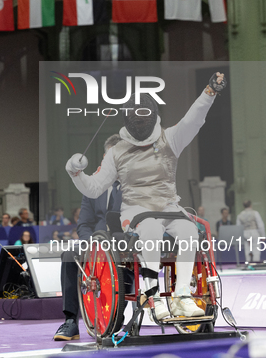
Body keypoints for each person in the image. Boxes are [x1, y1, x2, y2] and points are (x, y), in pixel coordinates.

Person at [65, 73, 227, 319]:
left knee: (189, 231)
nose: (139, 120)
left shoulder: (169, 138)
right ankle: (151, 296)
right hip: (135, 210)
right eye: (134, 115)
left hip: (168, 205)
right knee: (150, 231)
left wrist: (209, 93)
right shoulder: (117, 152)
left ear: (151, 115)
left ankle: (181, 295)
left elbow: (192, 121)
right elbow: (95, 187)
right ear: (127, 118)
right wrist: (76, 173)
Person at [54, 134, 123, 341]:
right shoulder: (92, 185)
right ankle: (70, 322)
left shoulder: (137, 185)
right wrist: (92, 245)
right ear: (104, 158)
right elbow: (84, 223)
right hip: (96, 243)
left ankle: (116, 315)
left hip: (124, 243)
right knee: (69, 254)